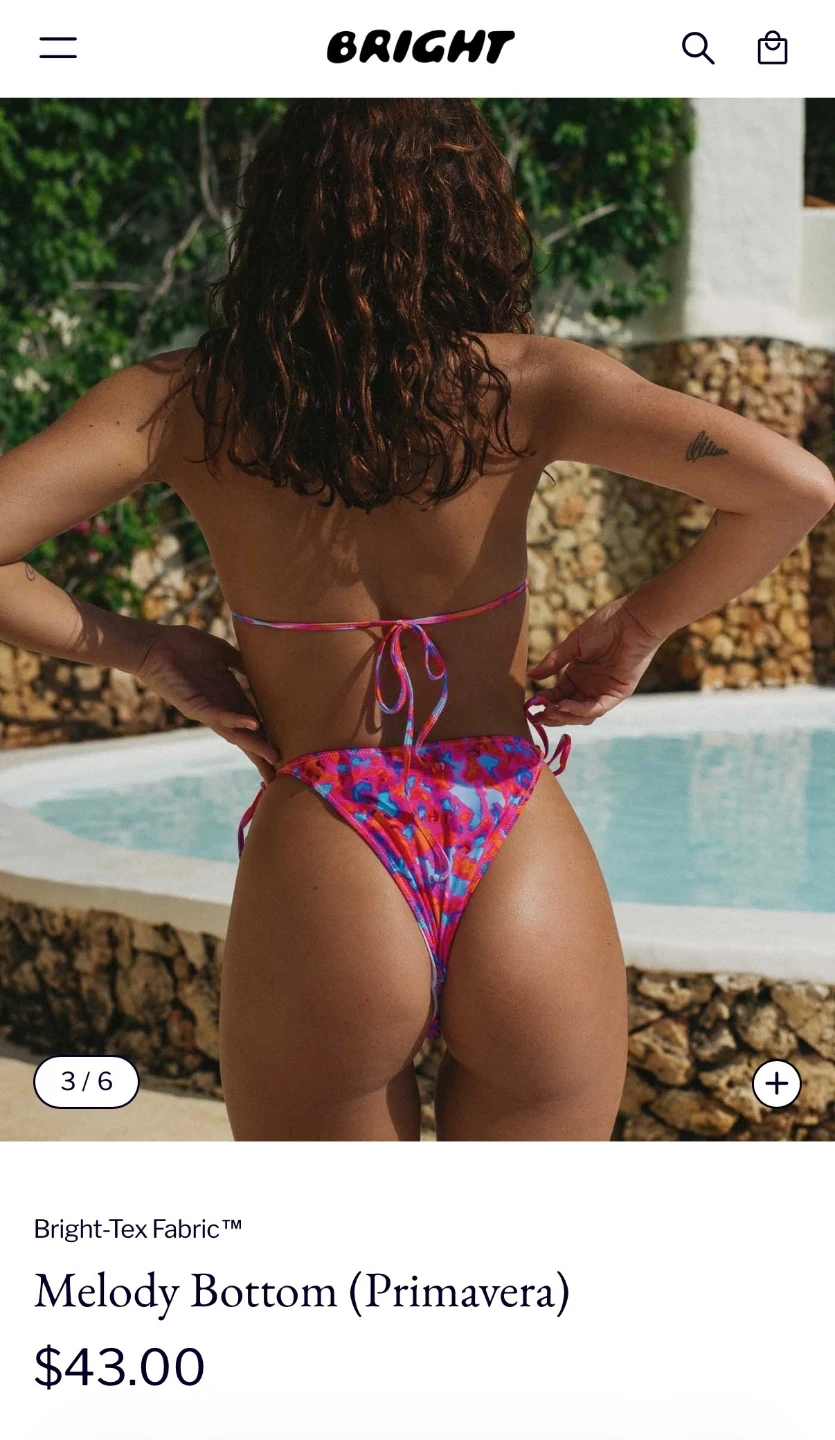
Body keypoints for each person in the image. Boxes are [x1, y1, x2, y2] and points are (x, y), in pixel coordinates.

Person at [0, 100, 831, 1142]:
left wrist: (149, 649)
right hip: (512, 835)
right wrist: (636, 624)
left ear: (277, 214)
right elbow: (793, 487)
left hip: (330, 845)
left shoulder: (186, 401)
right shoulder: (531, 382)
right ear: (477, 215)